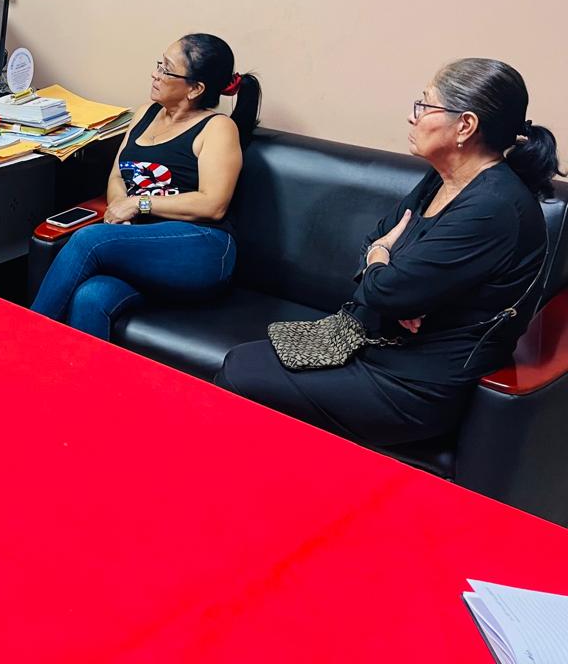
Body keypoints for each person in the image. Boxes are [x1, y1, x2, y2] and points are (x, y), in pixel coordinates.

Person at [217, 58, 559, 447]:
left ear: (465, 125)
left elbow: (386, 287)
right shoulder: (443, 178)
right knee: (245, 360)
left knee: (240, 373)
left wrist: (386, 271)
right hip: (374, 344)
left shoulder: (493, 207)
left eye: (425, 105)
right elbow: (378, 238)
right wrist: (389, 271)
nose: (413, 117)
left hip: (413, 385)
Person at [30, 34, 261, 338]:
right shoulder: (145, 114)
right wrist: (119, 211)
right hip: (140, 244)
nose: (155, 74)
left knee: (89, 239)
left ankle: (21, 343)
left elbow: (213, 204)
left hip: (202, 247)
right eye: (159, 64)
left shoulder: (217, 128)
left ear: (195, 89)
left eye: (166, 69)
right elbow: (117, 176)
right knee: (91, 297)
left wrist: (137, 204)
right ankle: (81, 371)